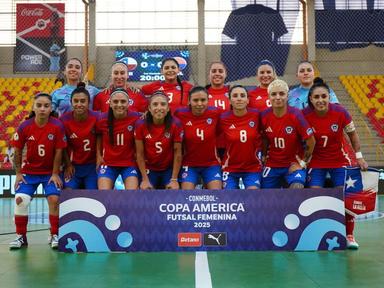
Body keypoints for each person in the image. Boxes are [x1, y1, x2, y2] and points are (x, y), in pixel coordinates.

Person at [303, 77, 368, 249]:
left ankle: (349, 235)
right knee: (315, 196)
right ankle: (318, 234)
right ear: (310, 99)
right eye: (316, 97)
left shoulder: (341, 112)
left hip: (339, 161)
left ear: (329, 97)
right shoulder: (304, 115)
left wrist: (359, 156)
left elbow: (353, 135)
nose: (320, 100)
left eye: (324, 96)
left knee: (346, 198)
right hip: (316, 162)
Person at [9, 93, 67, 249]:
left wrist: (55, 173)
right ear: (33, 107)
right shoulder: (24, 126)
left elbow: (59, 152)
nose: (42, 109)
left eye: (46, 106)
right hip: (29, 173)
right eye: (39, 105)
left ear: (51, 108)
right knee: (20, 199)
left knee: (54, 199)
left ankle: (54, 234)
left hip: (50, 173)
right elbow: (17, 150)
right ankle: (21, 237)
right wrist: (18, 173)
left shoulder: (57, 126)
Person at [260, 79, 316, 189]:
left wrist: (302, 164)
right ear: (268, 97)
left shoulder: (296, 115)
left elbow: (311, 141)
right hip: (272, 164)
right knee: (264, 195)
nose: (278, 97)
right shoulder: (264, 116)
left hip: (292, 163)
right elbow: (264, 138)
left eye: (281, 93)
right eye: (274, 94)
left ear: (287, 96)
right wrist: (264, 155)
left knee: (297, 186)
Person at [174, 86, 222, 190]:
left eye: (203, 100)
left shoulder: (216, 113)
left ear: (208, 100)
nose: (199, 104)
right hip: (189, 164)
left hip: (211, 164)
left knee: (216, 195)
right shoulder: (180, 114)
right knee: (186, 196)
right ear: (189, 101)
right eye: (195, 100)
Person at [135, 92, 183, 189]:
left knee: (172, 191)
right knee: (146, 190)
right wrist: (145, 179)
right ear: (149, 108)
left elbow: (178, 153)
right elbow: (139, 153)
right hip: (149, 168)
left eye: (163, 104)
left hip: (168, 169)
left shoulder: (176, 124)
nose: (159, 108)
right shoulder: (140, 124)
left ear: (168, 108)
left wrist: (174, 179)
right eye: (155, 104)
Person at [96, 88, 141, 190]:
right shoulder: (102, 119)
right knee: (104, 193)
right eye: (115, 101)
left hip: (129, 163)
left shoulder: (136, 117)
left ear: (128, 103)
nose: (119, 104)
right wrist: (98, 155)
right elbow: (98, 135)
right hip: (108, 163)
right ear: (110, 103)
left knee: (132, 194)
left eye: (123, 101)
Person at [219, 85, 262, 189]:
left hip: (252, 167)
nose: (239, 98)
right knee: (229, 198)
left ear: (247, 100)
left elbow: (265, 135)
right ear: (229, 100)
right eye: (235, 96)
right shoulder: (223, 118)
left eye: (242, 96)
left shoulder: (257, 115)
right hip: (230, 168)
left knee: (253, 195)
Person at [60, 82, 100, 189]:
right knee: (68, 192)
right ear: (71, 102)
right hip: (73, 166)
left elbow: (101, 136)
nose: (79, 104)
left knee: (93, 194)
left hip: (92, 166)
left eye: (83, 101)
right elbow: (62, 146)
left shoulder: (97, 117)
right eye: (76, 101)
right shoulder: (64, 120)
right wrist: (67, 164)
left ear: (88, 102)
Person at [205, 61, 231, 158]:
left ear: (225, 74)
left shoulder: (233, 93)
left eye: (220, 71)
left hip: (229, 142)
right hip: (209, 143)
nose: (217, 74)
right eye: (214, 71)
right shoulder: (203, 94)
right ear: (209, 74)